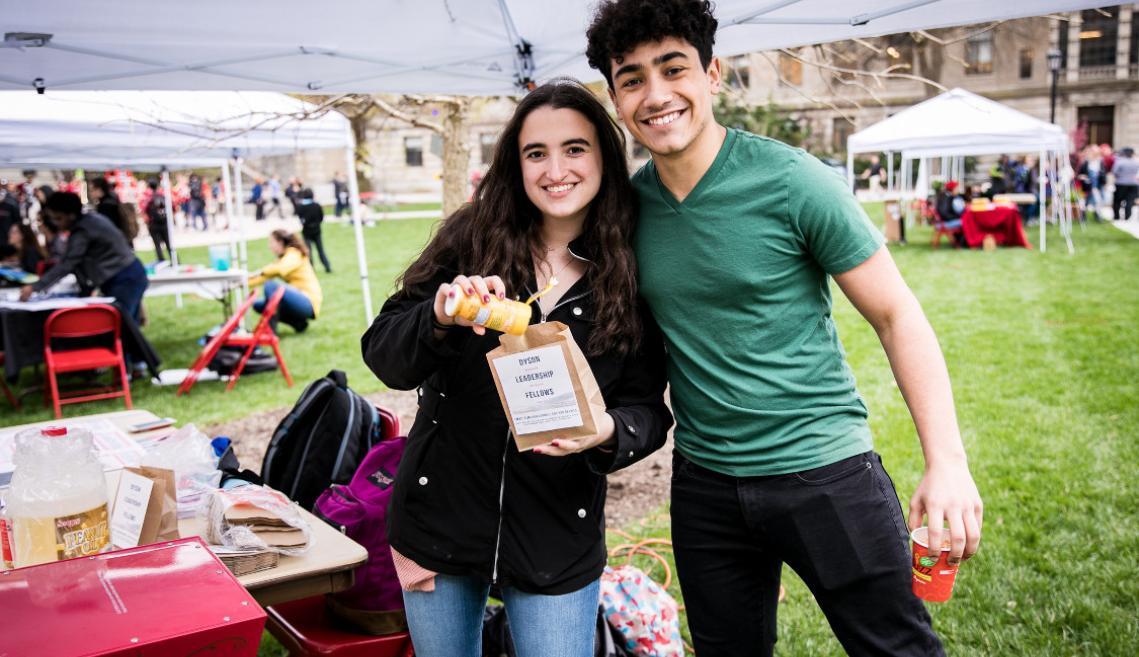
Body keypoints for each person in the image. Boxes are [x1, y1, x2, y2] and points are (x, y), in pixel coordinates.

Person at [585, 2, 983, 655]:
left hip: (824, 472)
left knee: (896, 648)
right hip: (705, 484)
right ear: (615, 97)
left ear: (712, 74)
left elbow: (895, 313)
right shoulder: (628, 209)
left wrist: (946, 462)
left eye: (672, 68)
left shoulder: (793, 180)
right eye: (631, 78)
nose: (654, 95)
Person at [360, 79, 671, 657]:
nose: (556, 169)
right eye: (536, 153)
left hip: (557, 532)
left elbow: (648, 410)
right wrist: (439, 314)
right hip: (438, 520)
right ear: (516, 163)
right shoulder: (470, 239)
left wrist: (606, 433)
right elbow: (383, 353)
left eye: (575, 148)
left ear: (603, 154)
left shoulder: (633, 267)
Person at [19, 192, 148, 322]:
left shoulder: (83, 231)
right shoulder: (93, 220)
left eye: (58, 218)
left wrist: (35, 287)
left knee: (122, 326)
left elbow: (68, 264)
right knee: (129, 327)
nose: (56, 223)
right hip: (129, 274)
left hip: (124, 279)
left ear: (71, 216)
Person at [248, 229, 322, 333]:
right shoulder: (282, 260)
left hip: (308, 302)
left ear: (281, 242)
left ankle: (270, 330)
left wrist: (261, 271)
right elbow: (263, 277)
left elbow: (281, 269)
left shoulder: (295, 253)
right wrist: (239, 282)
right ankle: (298, 323)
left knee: (270, 286)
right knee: (258, 305)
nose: (269, 246)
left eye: (271, 242)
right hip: (298, 301)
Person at [89, 176, 136, 247]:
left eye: (92, 190)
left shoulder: (106, 205)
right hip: (122, 242)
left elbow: (106, 229)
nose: (90, 193)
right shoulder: (112, 199)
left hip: (116, 245)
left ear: (99, 189)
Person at [296, 188, 331, 273]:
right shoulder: (316, 205)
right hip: (316, 231)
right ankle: (327, 267)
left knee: (308, 251)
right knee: (320, 250)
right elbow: (321, 217)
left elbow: (300, 219)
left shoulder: (300, 207)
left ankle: (311, 269)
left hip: (306, 231)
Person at [143, 179, 173, 262]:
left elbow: (144, 210)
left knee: (157, 245)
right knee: (168, 243)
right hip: (164, 222)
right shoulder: (163, 196)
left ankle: (161, 260)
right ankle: (174, 260)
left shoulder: (149, 198)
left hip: (154, 224)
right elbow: (172, 207)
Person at [1110, 147, 1137, 221]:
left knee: (1117, 200)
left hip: (1121, 183)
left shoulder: (1120, 161)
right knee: (1130, 200)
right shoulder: (1136, 162)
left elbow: (1114, 172)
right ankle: (1127, 216)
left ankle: (1117, 216)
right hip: (1133, 184)